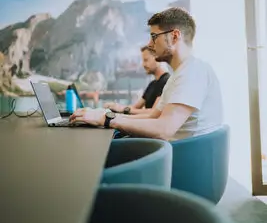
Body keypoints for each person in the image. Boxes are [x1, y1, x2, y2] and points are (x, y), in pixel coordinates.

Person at [70, 7, 223, 141]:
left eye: (154, 36)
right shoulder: (180, 74)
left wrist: (105, 119)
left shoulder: (192, 72)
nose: (150, 44)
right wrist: (105, 115)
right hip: (169, 152)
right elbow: (152, 116)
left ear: (174, 36)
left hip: (178, 159)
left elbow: (163, 129)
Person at [104, 45, 170, 115]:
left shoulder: (166, 81)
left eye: (146, 60)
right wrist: (116, 106)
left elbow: (154, 112)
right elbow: (135, 107)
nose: (143, 64)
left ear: (158, 59)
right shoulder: (152, 84)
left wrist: (123, 109)